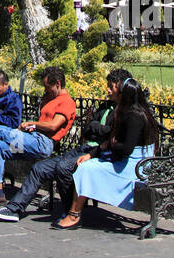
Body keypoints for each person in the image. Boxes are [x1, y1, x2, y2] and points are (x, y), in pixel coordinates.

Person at [0, 68, 132, 222]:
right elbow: (88, 128)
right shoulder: (103, 107)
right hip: (34, 140)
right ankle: (8, 202)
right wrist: (97, 129)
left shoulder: (69, 103)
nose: (107, 90)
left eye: (111, 86)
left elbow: (56, 126)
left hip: (49, 145)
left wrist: (33, 124)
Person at [57, 78, 159, 229]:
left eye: (115, 90)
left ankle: (74, 215)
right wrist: (94, 153)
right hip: (133, 162)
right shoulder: (133, 112)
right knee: (87, 163)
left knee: (86, 169)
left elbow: (126, 149)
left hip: (134, 168)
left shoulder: (134, 117)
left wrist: (112, 144)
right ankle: (74, 211)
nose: (111, 92)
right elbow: (113, 143)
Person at [0, 66, 77, 210]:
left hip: (42, 144)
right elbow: (43, 124)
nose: (45, 89)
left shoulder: (66, 102)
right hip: (30, 141)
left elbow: (53, 126)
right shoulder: (49, 98)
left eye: (47, 86)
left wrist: (33, 124)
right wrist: (31, 127)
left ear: (58, 84)